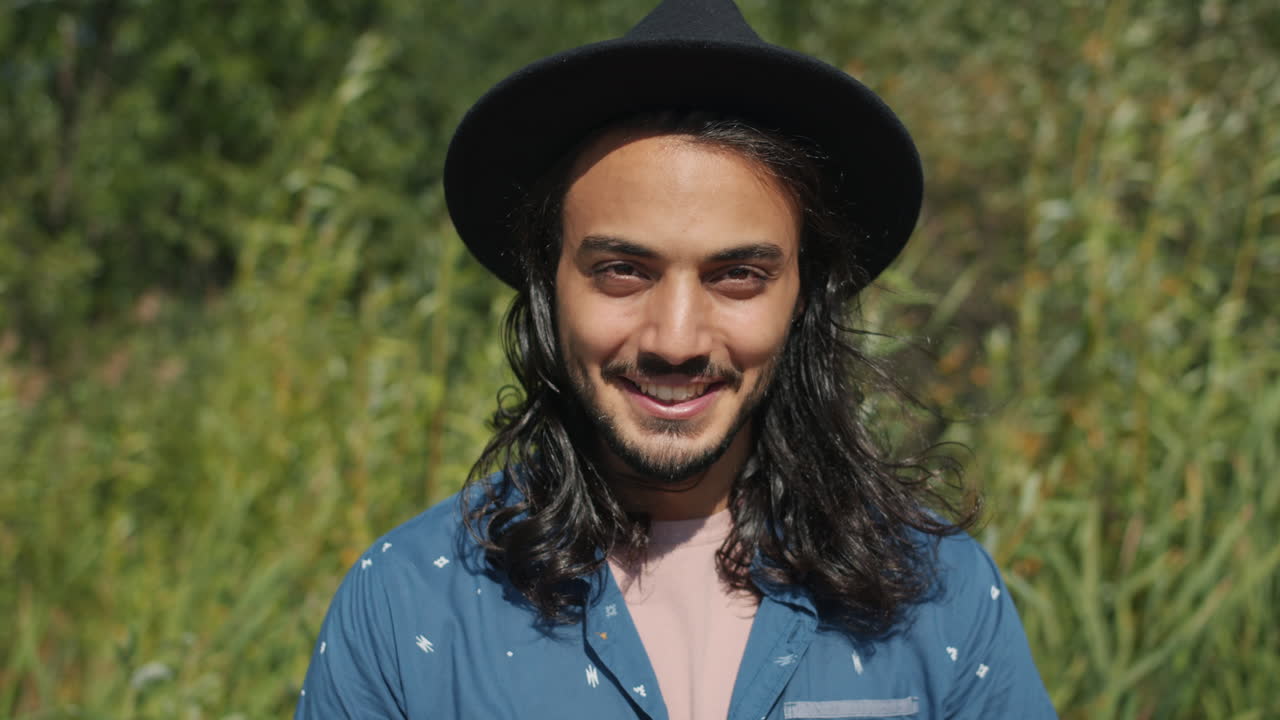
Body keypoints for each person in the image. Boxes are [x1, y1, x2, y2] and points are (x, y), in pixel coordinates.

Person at [295, 0, 1057, 718]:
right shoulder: (406, 606)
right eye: (623, 270)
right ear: (547, 283)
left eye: (737, 277)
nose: (676, 338)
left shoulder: (939, 597)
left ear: (804, 295)